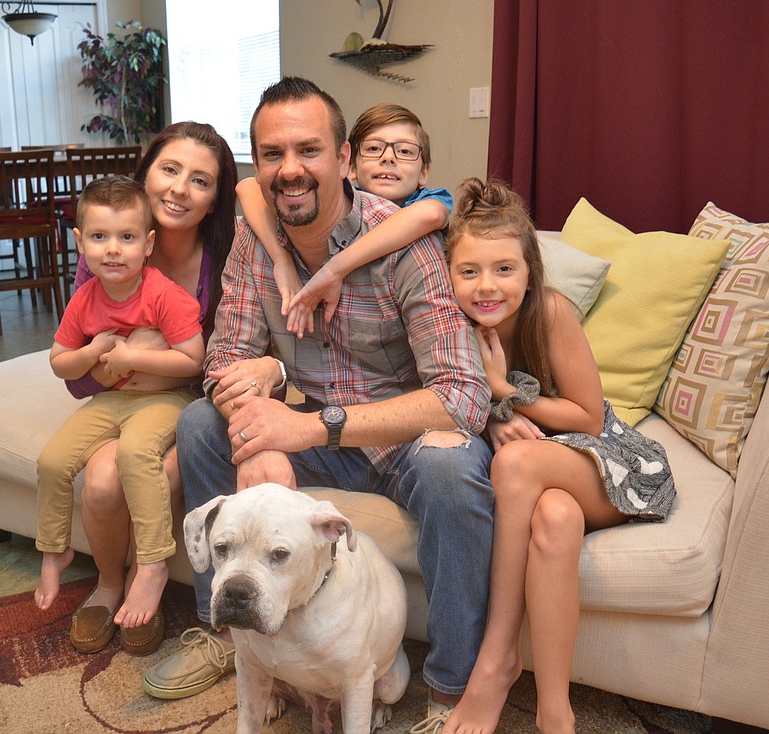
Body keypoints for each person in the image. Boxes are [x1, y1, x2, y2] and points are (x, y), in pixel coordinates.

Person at [142, 77, 495, 725]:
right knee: (199, 425)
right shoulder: (256, 241)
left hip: (402, 439)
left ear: (344, 158)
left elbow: (463, 396)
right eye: (272, 154)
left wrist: (303, 431)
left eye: (309, 150)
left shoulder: (405, 244)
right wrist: (255, 430)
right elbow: (222, 363)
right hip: (319, 439)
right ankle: (230, 635)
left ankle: (452, 689)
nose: (290, 170)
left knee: (456, 469)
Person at [428, 179, 675, 734]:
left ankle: (494, 662)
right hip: (550, 475)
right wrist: (494, 415)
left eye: (504, 269)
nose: (486, 286)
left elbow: (588, 417)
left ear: (530, 270)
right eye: (468, 272)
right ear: (448, 275)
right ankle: (555, 712)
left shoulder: (551, 311)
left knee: (516, 464)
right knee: (556, 519)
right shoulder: (448, 325)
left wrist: (503, 390)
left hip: (608, 462)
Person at [62, 122, 261, 657]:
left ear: (215, 197)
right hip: (124, 397)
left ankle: (146, 576)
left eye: (200, 180)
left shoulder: (231, 252)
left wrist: (156, 363)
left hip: (195, 399)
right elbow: (78, 371)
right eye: (169, 170)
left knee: (151, 466)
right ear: (145, 174)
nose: (179, 189)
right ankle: (107, 582)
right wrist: (116, 365)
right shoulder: (108, 250)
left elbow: (227, 356)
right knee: (102, 482)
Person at [33, 177, 205, 650]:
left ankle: (151, 563)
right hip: (110, 400)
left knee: (134, 455)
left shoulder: (162, 294)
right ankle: (53, 552)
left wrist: (131, 358)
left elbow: (194, 358)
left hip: (166, 399)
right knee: (53, 459)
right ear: (79, 242)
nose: (113, 250)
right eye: (99, 237)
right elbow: (59, 362)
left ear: (148, 244)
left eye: (127, 238)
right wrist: (95, 350)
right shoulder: (84, 298)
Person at [236, 102, 452, 337]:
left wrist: (334, 269)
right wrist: (281, 259)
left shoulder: (428, 203)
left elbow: (430, 214)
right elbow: (247, 186)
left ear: (424, 173)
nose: (388, 157)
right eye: (373, 148)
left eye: (405, 151)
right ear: (349, 166)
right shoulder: (346, 204)